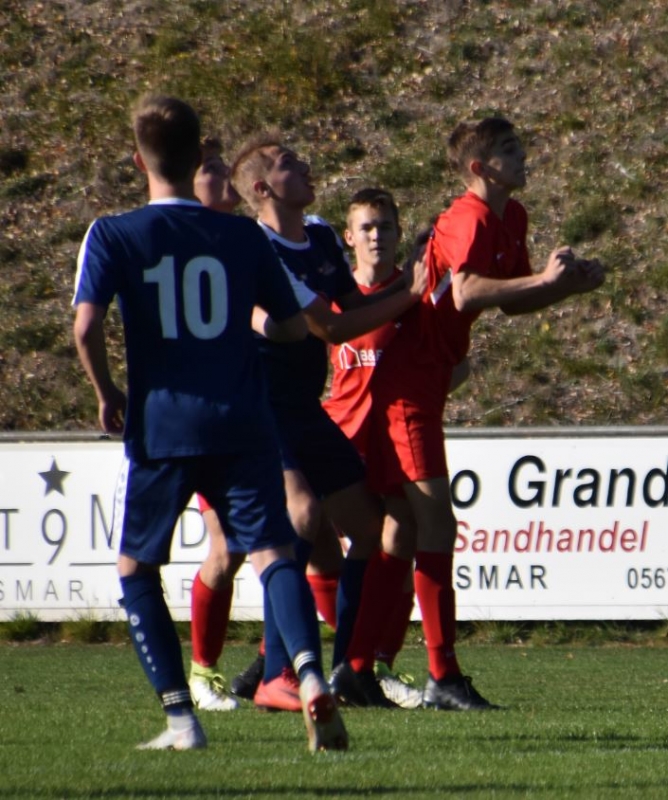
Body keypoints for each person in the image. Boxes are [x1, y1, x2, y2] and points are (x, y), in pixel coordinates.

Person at [72, 95, 347, 753]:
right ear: (200, 156)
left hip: (163, 424)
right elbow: (291, 325)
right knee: (274, 553)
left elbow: (85, 326)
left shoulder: (113, 233)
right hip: (242, 420)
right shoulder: (244, 236)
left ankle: (181, 720)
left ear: (138, 160)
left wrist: (108, 393)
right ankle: (310, 676)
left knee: (138, 569)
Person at [329, 118, 606, 711]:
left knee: (402, 529)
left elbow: (513, 303)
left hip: (426, 383)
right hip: (407, 386)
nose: (522, 153)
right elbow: (466, 290)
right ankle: (442, 675)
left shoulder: (512, 216)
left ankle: (354, 668)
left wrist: (565, 288)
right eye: (509, 148)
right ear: (480, 168)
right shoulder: (468, 217)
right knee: (436, 524)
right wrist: (545, 278)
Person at [225, 133, 427, 711]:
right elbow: (332, 329)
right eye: (290, 163)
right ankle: (277, 670)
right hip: (262, 407)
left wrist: (404, 287)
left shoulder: (316, 233)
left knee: (368, 526)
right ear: (263, 188)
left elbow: (351, 306)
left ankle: (346, 671)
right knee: (303, 517)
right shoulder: (258, 249)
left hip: (304, 408)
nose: (307, 165)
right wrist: (412, 293)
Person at [322, 188, 467, 709]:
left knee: (395, 541)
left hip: (389, 440)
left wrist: (420, 394)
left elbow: (457, 364)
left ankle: (371, 664)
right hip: (340, 438)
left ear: (399, 233)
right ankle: (287, 662)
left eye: (385, 226)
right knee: (314, 542)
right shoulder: (335, 300)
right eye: (367, 227)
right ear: (349, 237)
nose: (376, 235)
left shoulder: (413, 297)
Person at [187, 135, 244, 713]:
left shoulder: (248, 240)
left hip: (257, 413)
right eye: (211, 168)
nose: (224, 175)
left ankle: (286, 666)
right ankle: (202, 672)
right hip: (201, 419)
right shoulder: (178, 248)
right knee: (226, 547)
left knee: (295, 540)